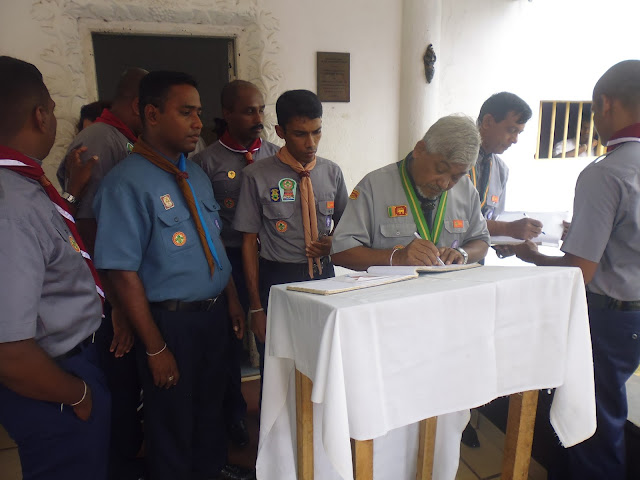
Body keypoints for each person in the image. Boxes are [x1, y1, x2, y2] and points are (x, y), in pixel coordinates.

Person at [93, 70, 245, 480]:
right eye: (186, 112)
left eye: (199, 112)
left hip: (212, 315)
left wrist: (231, 300)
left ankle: (211, 470)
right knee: (172, 418)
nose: (198, 122)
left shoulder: (195, 175)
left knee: (211, 407)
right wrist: (156, 347)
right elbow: (122, 272)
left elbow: (213, 244)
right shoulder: (125, 184)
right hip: (170, 322)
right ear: (152, 114)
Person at [330, 114, 489, 480]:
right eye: (441, 170)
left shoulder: (465, 190)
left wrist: (462, 253)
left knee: (443, 422)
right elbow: (341, 251)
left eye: (456, 176)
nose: (445, 184)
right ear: (420, 149)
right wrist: (395, 257)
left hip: (448, 330)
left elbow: (481, 240)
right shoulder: (374, 186)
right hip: (389, 332)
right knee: (388, 424)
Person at [514, 59, 640, 480]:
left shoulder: (608, 172)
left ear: (606, 103)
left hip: (607, 317)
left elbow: (579, 271)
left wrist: (534, 257)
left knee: (592, 418)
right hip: (633, 315)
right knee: (609, 408)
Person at [0, 56, 110, 480]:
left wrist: (71, 194)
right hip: (51, 377)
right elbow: (10, 352)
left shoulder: (24, 187)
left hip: (64, 364)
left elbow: (43, 249)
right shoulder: (11, 208)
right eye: (51, 108)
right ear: (39, 116)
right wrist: (76, 394)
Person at [56, 67, 148, 480]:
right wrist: (116, 301)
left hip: (128, 284)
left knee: (131, 384)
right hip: (111, 290)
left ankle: (129, 455)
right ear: (138, 106)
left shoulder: (123, 139)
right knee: (119, 383)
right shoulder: (99, 140)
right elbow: (90, 228)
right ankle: (120, 466)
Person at [233, 89, 348, 380]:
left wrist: (333, 242)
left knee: (324, 364)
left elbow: (348, 227)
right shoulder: (256, 176)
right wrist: (256, 308)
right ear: (280, 131)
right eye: (300, 134)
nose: (311, 143)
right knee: (278, 367)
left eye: (317, 132)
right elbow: (248, 243)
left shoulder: (331, 173)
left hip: (324, 277)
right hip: (278, 280)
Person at [193, 79, 279, 447]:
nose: (258, 118)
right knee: (230, 340)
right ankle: (232, 417)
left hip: (270, 259)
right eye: (248, 111)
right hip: (228, 261)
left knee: (275, 338)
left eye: (261, 110)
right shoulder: (205, 163)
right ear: (227, 113)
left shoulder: (277, 157)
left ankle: (274, 411)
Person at [474, 92, 542, 241]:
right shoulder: (456, 159)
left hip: (477, 253)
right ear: (488, 122)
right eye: (511, 130)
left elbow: (494, 219)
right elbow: (454, 220)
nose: (515, 140)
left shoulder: (501, 170)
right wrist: (507, 229)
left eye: (519, 133)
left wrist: (508, 241)